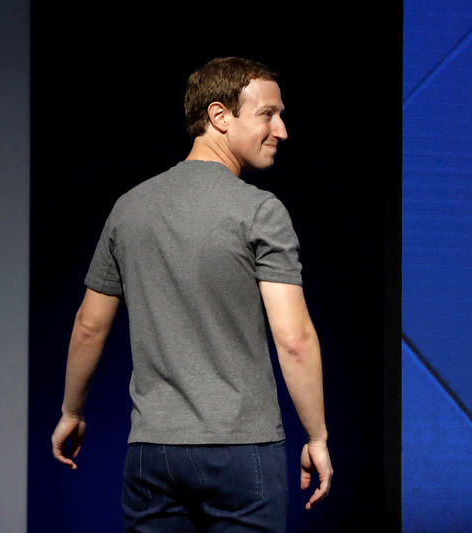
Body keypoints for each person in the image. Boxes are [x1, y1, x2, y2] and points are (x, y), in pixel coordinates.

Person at [50, 56, 332, 532]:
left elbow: (89, 325)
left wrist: (70, 411)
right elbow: (294, 339)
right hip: (242, 454)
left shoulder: (129, 209)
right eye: (268, 114)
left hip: (151, 456)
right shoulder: (260, 211)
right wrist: (318, 437)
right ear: (220, 116)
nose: (281, 130)